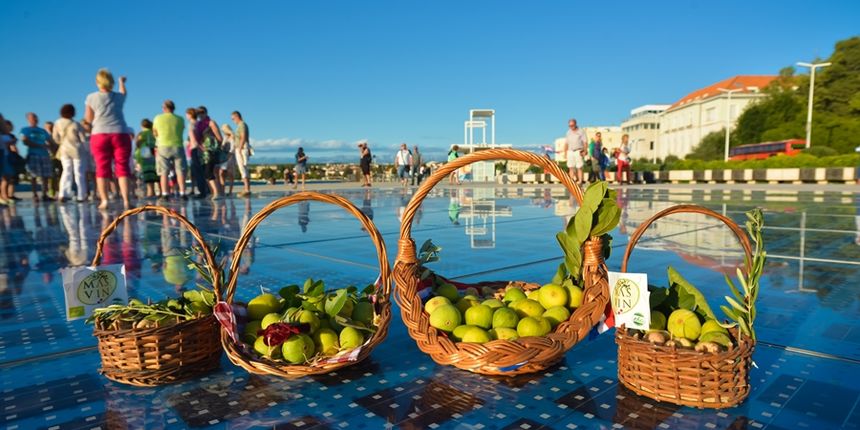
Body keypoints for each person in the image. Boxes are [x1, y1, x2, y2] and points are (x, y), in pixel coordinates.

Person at [84, 69, 132, 209]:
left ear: (97, 82)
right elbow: (124, 92)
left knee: (102, 168)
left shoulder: (91, 97)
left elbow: (88, 119)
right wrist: (121, 82)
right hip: (120, 133)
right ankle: (126, 201)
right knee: (122, 167)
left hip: (99, 134)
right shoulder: (118, 97)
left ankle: (104, 201)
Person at [52, 104, 89, 202]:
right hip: (77, 150)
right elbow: (83, 138)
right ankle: (81, 195)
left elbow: (55, 138)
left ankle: (63, 194)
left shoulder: (57, 123)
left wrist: (62, 143)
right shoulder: (76, 124)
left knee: (66, 172)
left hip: (64, 150)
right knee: (79, 173)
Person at [152, 100, 187, 199]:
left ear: (164, 108)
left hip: (163, 146)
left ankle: (165, 194)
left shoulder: (157, 118)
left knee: (164, 171)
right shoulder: (180, 119)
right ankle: (182, 193)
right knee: (180, 170)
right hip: (178, 145)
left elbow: (155, 133)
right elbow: (182, 129)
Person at [20, 113, 56, 201]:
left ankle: (45, 194)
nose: (35, 119)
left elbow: (50, 141)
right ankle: (35, 194)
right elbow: (24, 141)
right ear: (28, 119)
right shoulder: (25, 130)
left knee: (46, 175)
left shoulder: (43, 131)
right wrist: (38, 145)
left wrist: (53, 148)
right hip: (33, 154)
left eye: (36, 117)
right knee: (34, 175)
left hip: (45, 155)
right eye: (33, 118)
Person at [193, 106, 224, 199]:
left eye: (202, 112)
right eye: (198, 113)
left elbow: (219, 138)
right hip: (203, 153)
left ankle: (216, 193)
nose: (200, 115)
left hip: (211, 151)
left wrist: (215, 147)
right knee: (209, 172)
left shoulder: (211, 123)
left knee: (209, 172)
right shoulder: (198, 125)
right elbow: (197, 140)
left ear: (206, 113)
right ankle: (214, 192)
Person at [185, 108, 206, 198]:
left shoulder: (191, 124)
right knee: (201, 171)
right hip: (199, 149)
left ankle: (202, 192)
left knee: (197, 171)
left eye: (187, 114)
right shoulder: (198, 123)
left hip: (195, 149)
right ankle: (204, 190)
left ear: (190, 114)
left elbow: (193, 139)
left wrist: (199, 147)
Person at [134, 119, 158, 198]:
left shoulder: (142, 134)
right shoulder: (153, 133)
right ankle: (156, 192)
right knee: (154, 173)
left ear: (142, 126)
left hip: (145, 154)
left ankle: (150, 193)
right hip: (154, 154)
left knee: (148, 174)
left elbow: (138, 144)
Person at [231, 111, 252, 197]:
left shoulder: (242, 125)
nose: (233, 121)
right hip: (242, 147)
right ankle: (246, 188)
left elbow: (243, 137)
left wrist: (239, 148)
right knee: (243, 168)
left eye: (233, 119)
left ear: (237, 117)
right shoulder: (242, 125)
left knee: (243, 168)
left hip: (241, 147)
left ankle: (247, 189)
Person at [563, 119, 588, 185]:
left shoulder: (581, 131)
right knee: (570, 167)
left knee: (579, 167)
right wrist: (565, 153)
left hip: (578, 150)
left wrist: (585, 151)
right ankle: (571, 182)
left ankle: (580, 181)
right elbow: (566, 143)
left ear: (575, 124)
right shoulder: (568, 132)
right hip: (570, 151)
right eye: (570, 126)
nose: (571, 127)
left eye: (572, 125)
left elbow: (585, 142)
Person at [219, 123, 236, 196]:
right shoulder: (225, 137)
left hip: (230, 156)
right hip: (224, 156)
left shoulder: (232, 137)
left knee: (230, 174)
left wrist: (229, 155)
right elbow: (222, 146)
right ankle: (222, 190)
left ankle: (230, 191)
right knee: (221, 173)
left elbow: (233, 148)